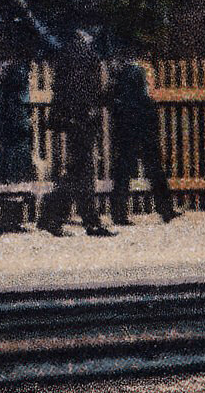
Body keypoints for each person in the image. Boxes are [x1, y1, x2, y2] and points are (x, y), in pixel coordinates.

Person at [39, 26, 114, 236]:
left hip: (76, 118)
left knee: (78, 171)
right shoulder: (80, 52)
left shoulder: (73, 50)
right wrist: (89, 110)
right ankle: (83, 220)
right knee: (82, 171)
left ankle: (59, 218)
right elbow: (78, 88)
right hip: (80, 119)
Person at [107, 51, 179, 225]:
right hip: (139, 125)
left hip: (129, 126)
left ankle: (120, 213)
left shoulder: (124, 73)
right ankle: (164, 210)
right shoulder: (135, 72)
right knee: (148, 169)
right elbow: (143, 100)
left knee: (129, 170)